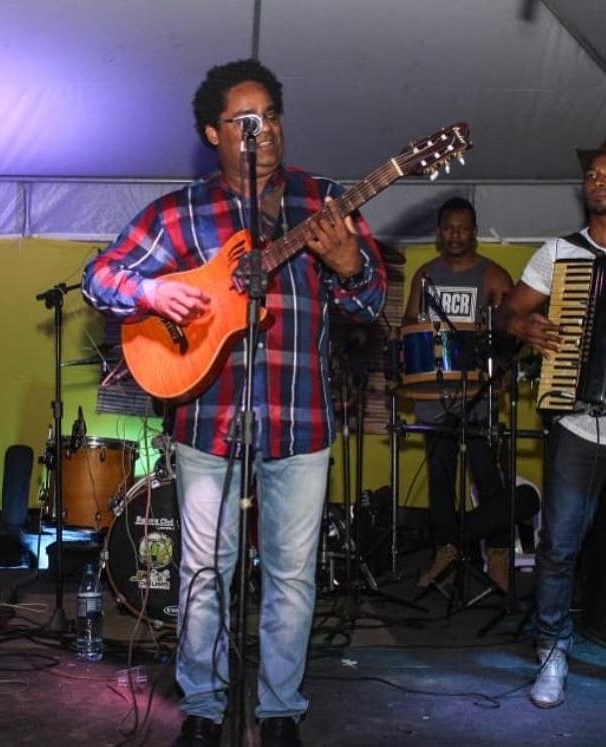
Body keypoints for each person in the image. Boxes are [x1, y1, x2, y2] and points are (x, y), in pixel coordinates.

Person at [82, 59, 386, 747]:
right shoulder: (180, 211)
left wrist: (350, 267)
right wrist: (153, 292)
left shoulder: (324, 200)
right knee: (201, 571)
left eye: (271, 115)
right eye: (245, 121)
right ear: (212, 134)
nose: (264, 130)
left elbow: (368, 307)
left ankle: (279, 711)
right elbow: (99, 276)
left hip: (301, 416)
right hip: (207, 417)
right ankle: (203, 704)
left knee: (291, 575)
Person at [495, 140, 606, 708]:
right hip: (579, 423)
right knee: (559, 545)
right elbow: (506, 311)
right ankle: (552, 649)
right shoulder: (560, 254)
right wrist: (522, 327)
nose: (598, 180)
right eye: (592, 174)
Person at [403, 198, 514, 590]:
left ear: (474, 232)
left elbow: (510, 332)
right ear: (439, 232)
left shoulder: (493, 276)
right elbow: (409, 324)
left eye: (463, 228)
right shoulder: (425, 275)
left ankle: (498, 554)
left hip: (477, 394)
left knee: (486, 474)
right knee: (440, 477)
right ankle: (445, 550)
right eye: (449, 228)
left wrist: (501, 371)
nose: (455, 235)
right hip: (434, 393)